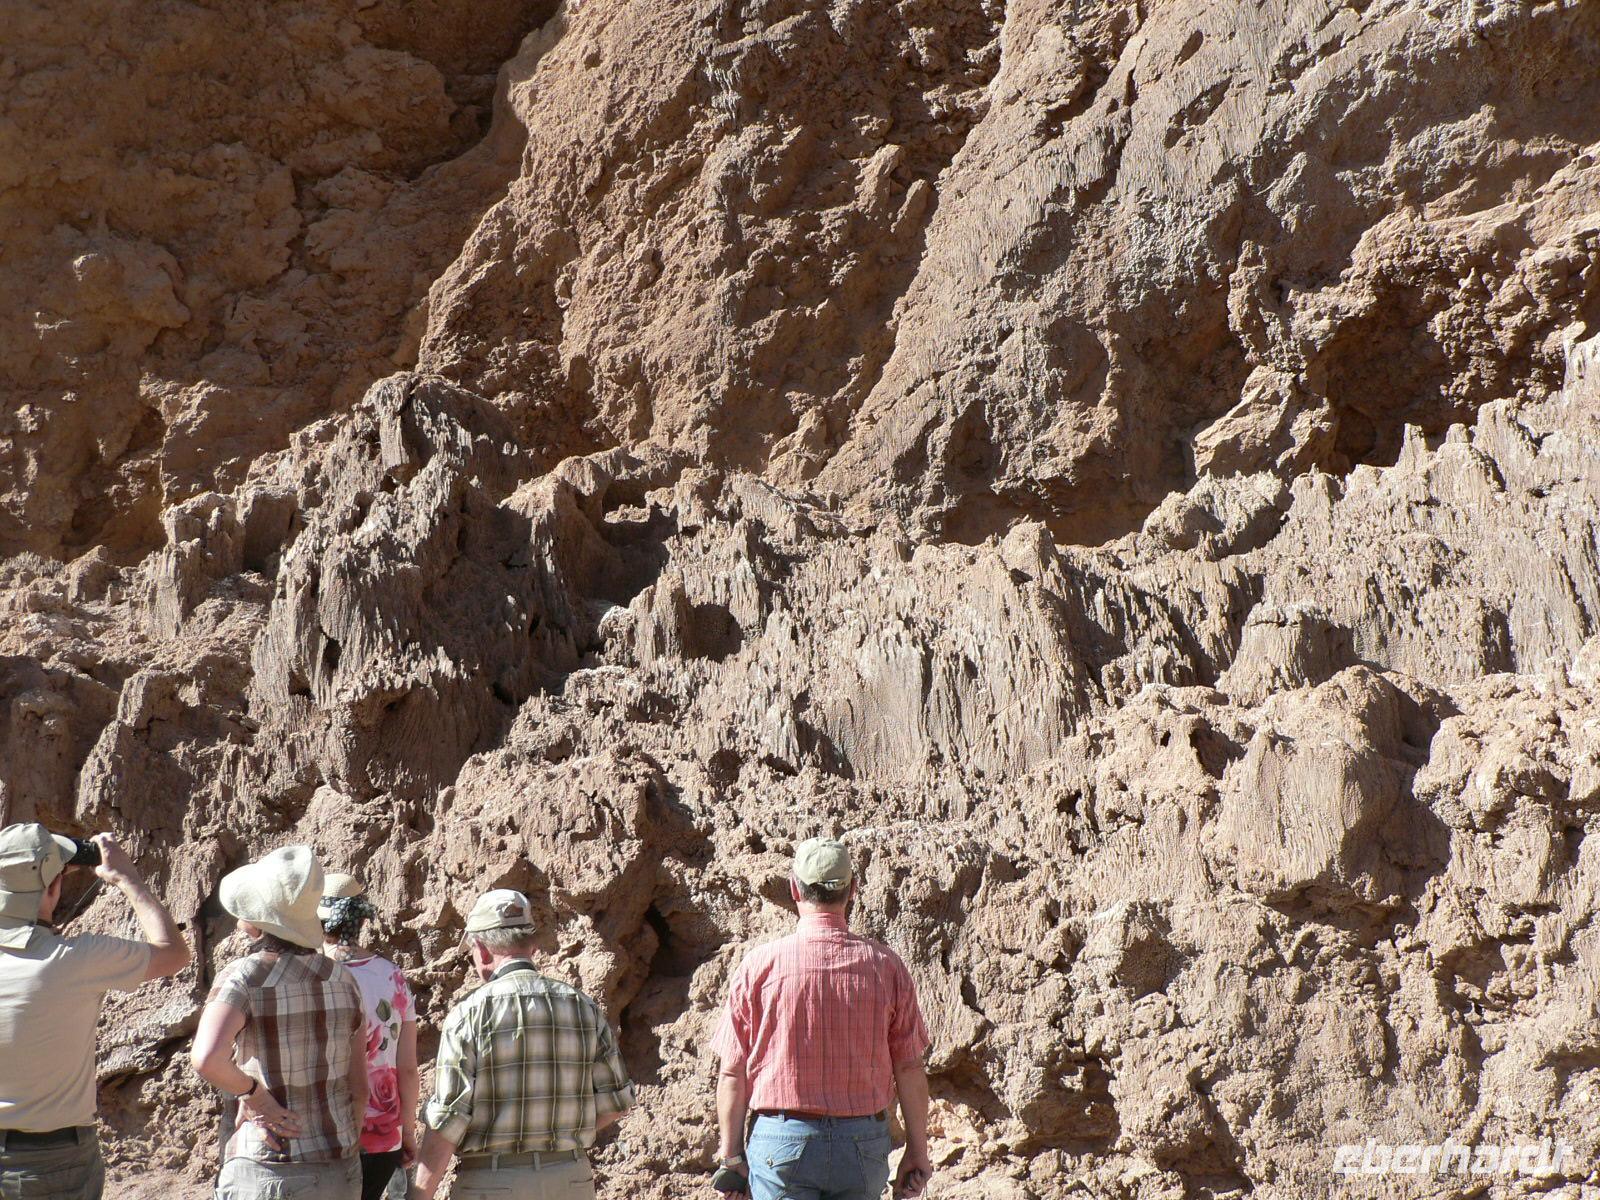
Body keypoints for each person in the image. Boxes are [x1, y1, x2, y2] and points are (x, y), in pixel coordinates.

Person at [711, 837, 934, 1200]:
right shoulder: (886, 966)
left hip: (781, 1142)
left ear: (794, 888)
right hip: (862, 1144)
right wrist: (917, 1150)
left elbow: (733, 1073)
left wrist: (732, 1156)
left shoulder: (759, 966)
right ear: (853, 890)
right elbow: (909, 1066)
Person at [0, 824, 190, 1199]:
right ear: (52, 888)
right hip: (50, 1162)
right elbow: (174, 954)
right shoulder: (79, 959)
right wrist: (128, 878)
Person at [409, 889, 636, 1200]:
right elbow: (617, 1102)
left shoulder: (469, 1014)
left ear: (482, 950)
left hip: (493, 1182)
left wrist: (419, 1194)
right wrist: (560, 1136)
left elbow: (449, 1118)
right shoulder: (582, 1006)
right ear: (531, 945)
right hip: (571, 1179)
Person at [190, 845, 367, 1200]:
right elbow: (359, 1087)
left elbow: (207, 1058)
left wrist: (255, 1096)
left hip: (270, 1164)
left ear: (258, 921)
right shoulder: (343, 979)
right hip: (339, 1165)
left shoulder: (244, 978)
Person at [318, 872, 419, 1200]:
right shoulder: (392, 975)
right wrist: (408, 1132)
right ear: (362, 920)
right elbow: (407, 1068)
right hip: (382, 1138)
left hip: (321, 1137)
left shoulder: (311, 975)